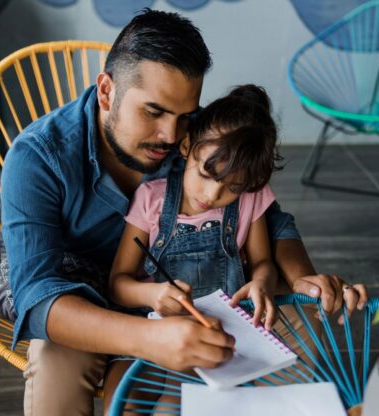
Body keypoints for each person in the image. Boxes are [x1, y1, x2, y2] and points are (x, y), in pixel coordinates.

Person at [1, 9, 368, 416]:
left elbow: (272, 219)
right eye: (153, 112)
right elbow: (36, 299)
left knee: (301, 332)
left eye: (184, 117)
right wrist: (150, 338)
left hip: (205, 299)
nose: (171, 136)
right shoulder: (38, 157)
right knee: (56, 372)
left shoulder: (197, 143)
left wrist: (303, 280)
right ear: (106, 92)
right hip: (90, 301)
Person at [105, 84, 283, 411]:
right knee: (120, 405)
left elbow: (264, 263)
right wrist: (153, 295)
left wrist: (262, 284)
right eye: (205, 174)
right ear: (187, 145)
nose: (213, 195)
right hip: (149, 331)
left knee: (174, 408)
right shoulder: (152, 199)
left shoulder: (250, 199)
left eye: (233, 187)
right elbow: (118, 284)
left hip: (217, 342)